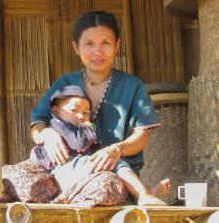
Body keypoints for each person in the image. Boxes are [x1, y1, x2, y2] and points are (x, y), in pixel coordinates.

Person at [30, 11, 169, 206]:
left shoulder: (132, 86)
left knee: (105, 185)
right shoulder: (64, 84)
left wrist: (116, 150)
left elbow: (141, 137)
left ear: (117, 45)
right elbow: (37, 126)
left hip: (114, 174)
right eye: (89, 44)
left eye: (105, 43)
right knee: (21, 175)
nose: (97, 51)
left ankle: (138, 193)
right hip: (67, 169)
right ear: (76, 47)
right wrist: (48, 135)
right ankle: (140, 193)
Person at [30, 84, 164, 205]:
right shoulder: (58, 125)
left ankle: (142, 191)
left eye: (86, 113)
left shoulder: (133, 86)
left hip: (71, 169)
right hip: (60, 170)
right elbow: (78, 143)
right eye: (74, 110)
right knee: (114, 163)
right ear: (56, 111)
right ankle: (143, 193)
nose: (81, 116)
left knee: (110, 161)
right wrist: (89, 128)